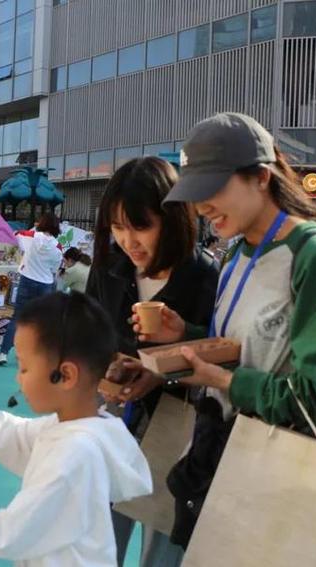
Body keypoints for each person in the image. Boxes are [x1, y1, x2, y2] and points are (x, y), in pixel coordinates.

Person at [132, 112, 316, 550]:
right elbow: (257, 348)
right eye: (195, 194)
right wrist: (187, 334)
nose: (201, 207)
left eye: (212, 189)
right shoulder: (237, 254)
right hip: (221, 459)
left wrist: (224, 381)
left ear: (261, 177)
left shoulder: (315, 257)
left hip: (280, 473)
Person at [0, 291, 152, 565]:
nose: (18, 378)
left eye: (24, 368)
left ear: (65, 375)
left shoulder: (77, 453)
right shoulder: (78, 427)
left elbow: (9, 536)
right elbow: (17, 435)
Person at [86, 156, 218, 566]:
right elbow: (90, 334)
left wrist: (161, 374)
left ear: (174, 219)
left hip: (178, 433)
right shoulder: (110, 267)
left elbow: (222, 356)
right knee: (99, 542)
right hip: (111, 421)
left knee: (160, 550)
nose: (129, 240)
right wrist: (106, 366)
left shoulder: (205, 276)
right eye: (118, 227)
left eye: (141, 226)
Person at [0, 212, 63, 366]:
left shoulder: (31, 236)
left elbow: (14, 234)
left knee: (17, 318)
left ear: (41, 223)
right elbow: (55, 268)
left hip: (26, 280)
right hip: (45, 284)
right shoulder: (57, 246)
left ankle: (3, 353)